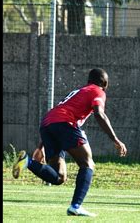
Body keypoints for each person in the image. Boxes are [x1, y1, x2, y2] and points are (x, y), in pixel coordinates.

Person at [12, 68, 127, 217]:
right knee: (87, 163)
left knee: (59, 177)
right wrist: (115, 139)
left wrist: (40, 147)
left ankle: (28, 162)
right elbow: (99, 114)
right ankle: (76, 206)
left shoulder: (79, 91)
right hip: (65, 123)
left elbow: (55, 117)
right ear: (104, 83)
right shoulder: (97, 91)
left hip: (47, 124)